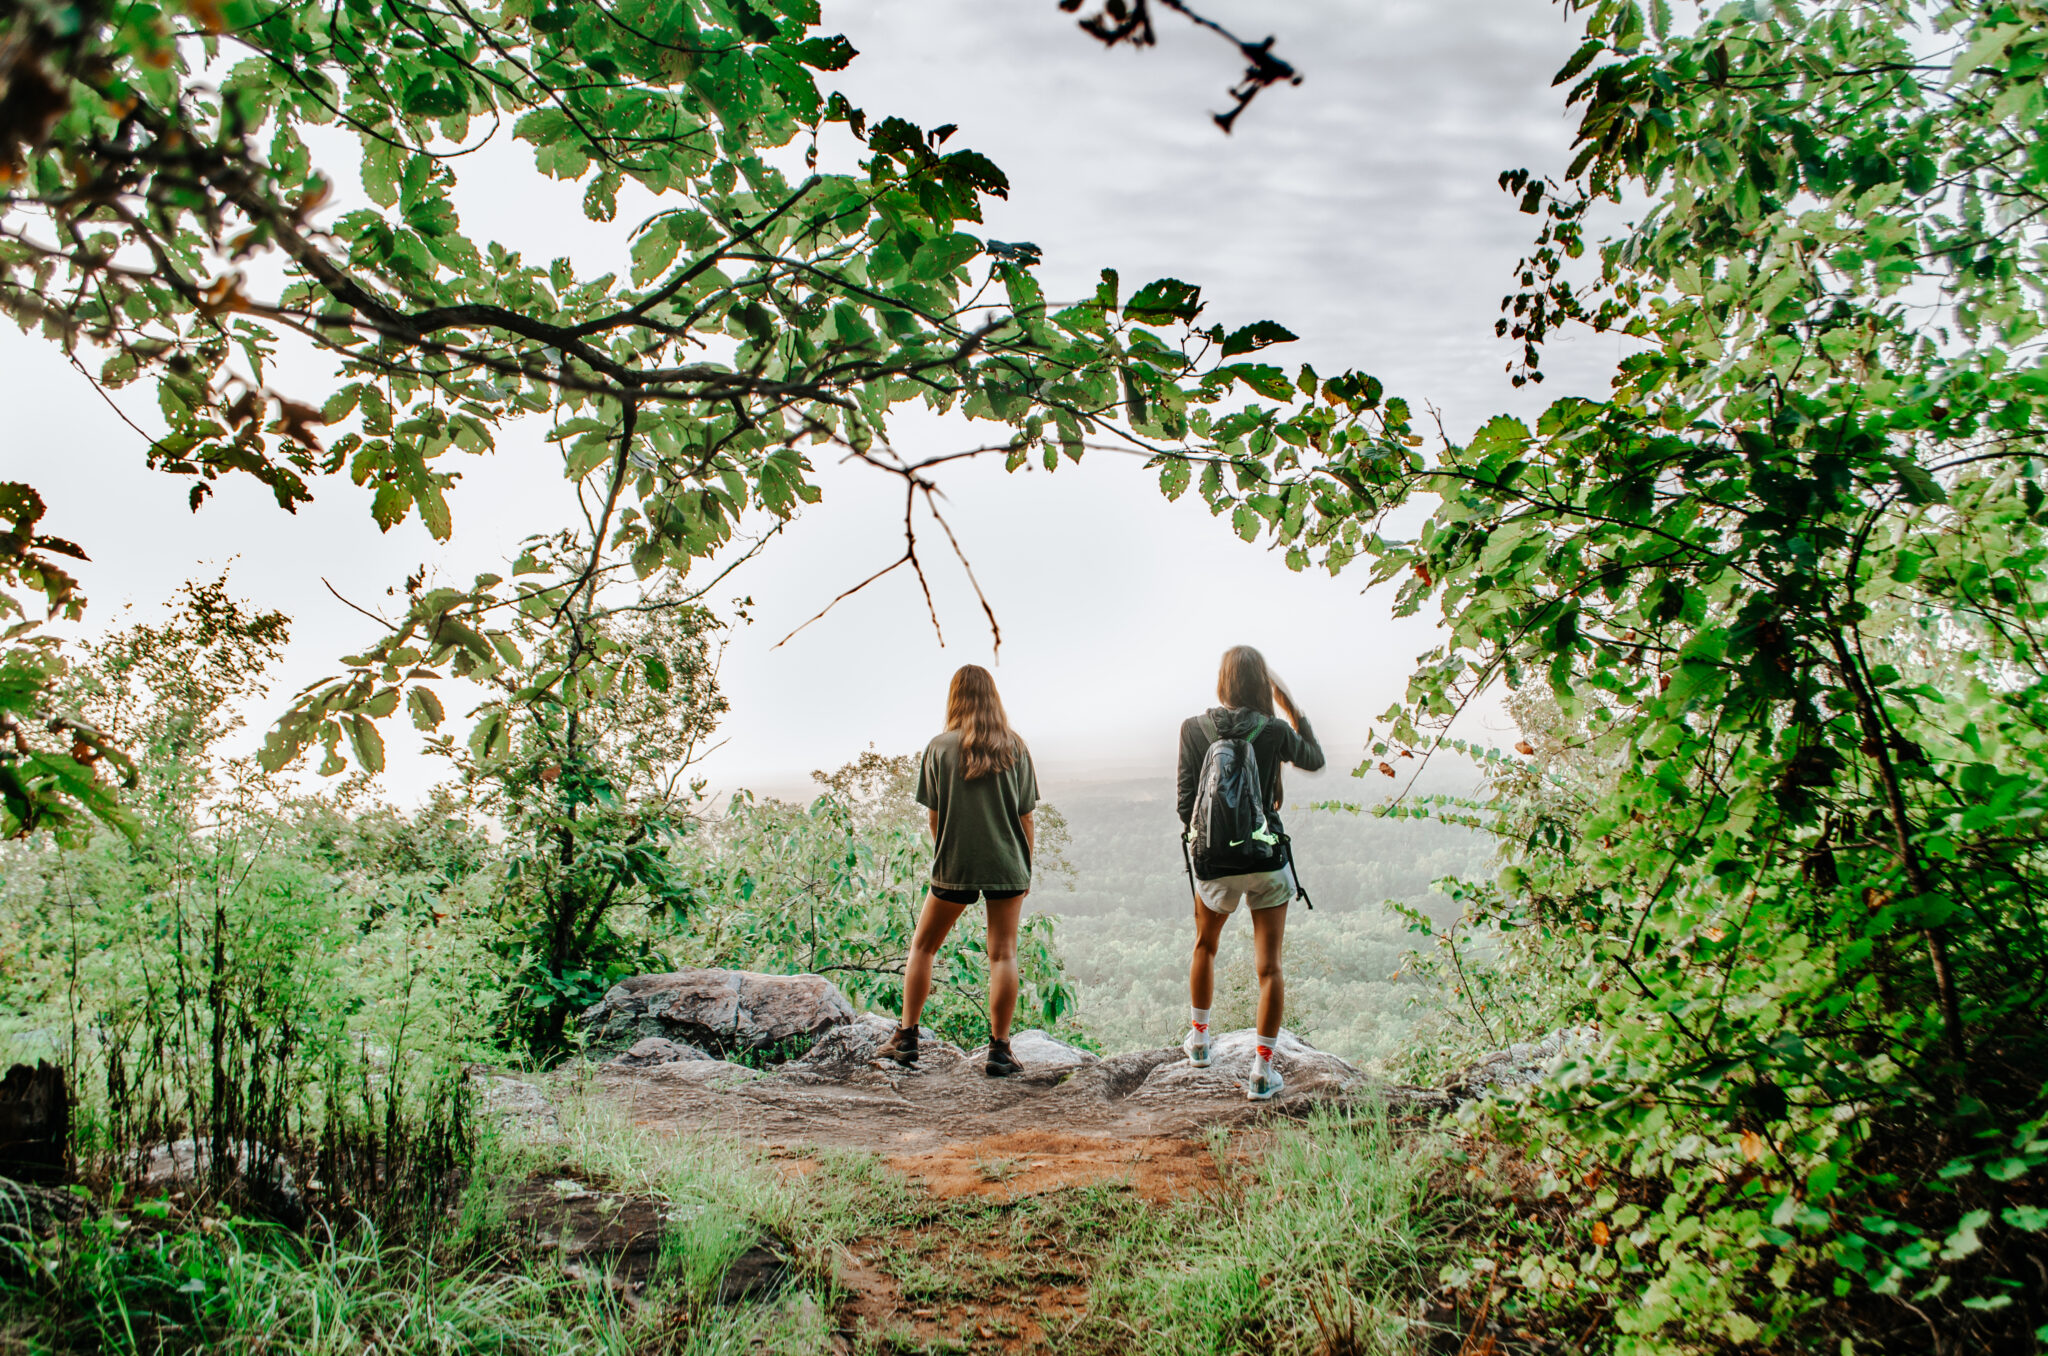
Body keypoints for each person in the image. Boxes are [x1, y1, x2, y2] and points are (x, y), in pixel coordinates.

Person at [1177, 645, 1324, 1100]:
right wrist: (1291, 706)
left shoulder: (1194, 729)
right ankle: (1262, 1072)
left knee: (1205, 945)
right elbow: (1314, 758)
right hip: (1266, 860)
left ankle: (1200, 1043)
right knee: (1269, 967)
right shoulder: (1275, 729)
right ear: (1262, 685)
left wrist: (1214, 837)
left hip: (1214, 864)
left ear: (1222, 681)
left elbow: (1185, 806)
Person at [877, 664, 1039, 1077]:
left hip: (955, 862)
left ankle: (906, 1038)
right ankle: (1000, 1050)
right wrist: (1025, 869)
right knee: (1002, 953)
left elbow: (935, 816)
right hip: (1007, 864)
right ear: (992, 698)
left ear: (955, 698)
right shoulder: (1015, 747)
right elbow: (1026, 818)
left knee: (924, 947)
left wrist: (945, 853)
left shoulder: (939, 748)